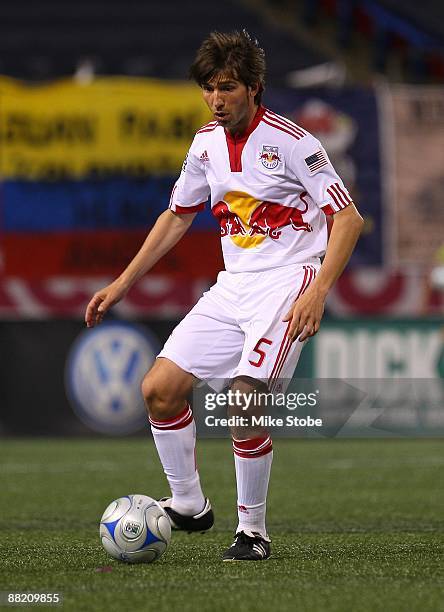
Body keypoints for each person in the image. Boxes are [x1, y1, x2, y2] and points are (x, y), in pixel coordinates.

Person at [85, 30, 363, 561]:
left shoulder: (294, 142)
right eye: (209, 88)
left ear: (255, 88)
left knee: (245, 397)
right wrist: (121, 283)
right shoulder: (205, 142)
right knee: (159, 389)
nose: (216, 99)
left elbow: (347, 218)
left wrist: (320, 288)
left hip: (289, 281)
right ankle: (189, 505)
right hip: (233, 284)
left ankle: (252, 531)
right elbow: (177, 215)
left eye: (228, 87)